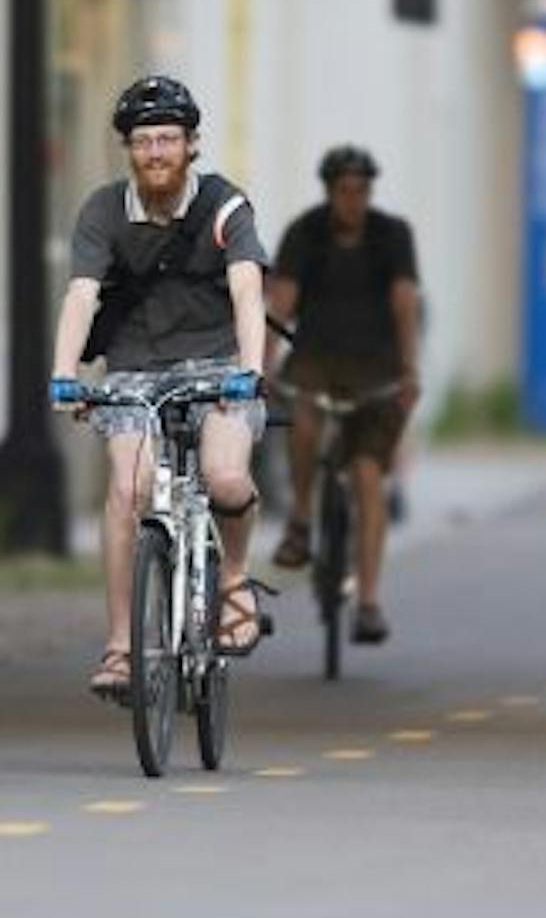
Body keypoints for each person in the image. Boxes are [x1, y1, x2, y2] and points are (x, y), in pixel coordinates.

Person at [48, 75, 272, 702]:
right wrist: (64, 374)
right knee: (129, 488)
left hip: (219, 362)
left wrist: (249, 369)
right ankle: (121, 645)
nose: (155, 153)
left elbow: (248, 290)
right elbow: (81, 294)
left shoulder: (225, 208)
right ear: (128, 149)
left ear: (192, 144)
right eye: (143, 141)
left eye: (168, 139)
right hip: (133, 368)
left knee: (226, 477)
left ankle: (233, 581)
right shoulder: (102, 210)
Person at [265, 145, 422, 645]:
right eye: (344, 192)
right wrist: (261, 364)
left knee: (368, 474)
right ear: (329, 192)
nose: (353, 201)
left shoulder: (391, 236)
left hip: (376, 367)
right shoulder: (305, 233)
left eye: (362, 192)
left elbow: (404, 302)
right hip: (316, 358)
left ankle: (369, 601)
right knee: (305, 417)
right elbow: (282, 302)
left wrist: (410, 369)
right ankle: (302, 517)